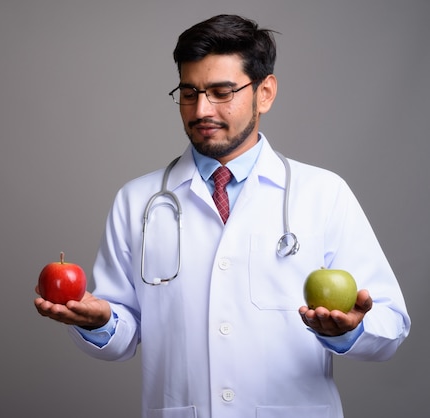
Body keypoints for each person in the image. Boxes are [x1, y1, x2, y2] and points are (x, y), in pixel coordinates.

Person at [34, 14, 410, 418]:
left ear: (265, 93)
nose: (201, 110)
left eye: (221, 92)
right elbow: (122, 335)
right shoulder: (137, 200)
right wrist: (100, 321)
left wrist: (350, 329)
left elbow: (389, 324)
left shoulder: (324, 193)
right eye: (190, 92)